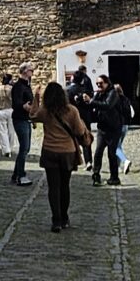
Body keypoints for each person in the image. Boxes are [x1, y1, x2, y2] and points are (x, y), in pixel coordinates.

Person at [38, 81, 91, 232]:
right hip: (67, 152)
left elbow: (33, 115)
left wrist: (36, 98)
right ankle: (64, 217)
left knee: (53, 187)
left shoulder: (45, 111)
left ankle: (56, 220)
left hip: (49, 150)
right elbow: (80, 131)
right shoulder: (71, 110)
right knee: (64, 186)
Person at [89, 79, 130, 186]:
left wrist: (92, 101)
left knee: (112, 153)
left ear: (107, 83)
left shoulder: (113, 94)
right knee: (98, 152)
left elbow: (107, 105)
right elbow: (93, 106)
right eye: (97, 83)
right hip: (102, 128)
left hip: (113, 128)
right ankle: (96, 176)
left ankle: (114, 177)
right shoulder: (99, 94)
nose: (98, 85)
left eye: (101, 83)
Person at [8, 71, 35, 185]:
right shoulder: (18, 86)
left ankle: (16, 174)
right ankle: (21, 175)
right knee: (24, 148)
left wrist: (32, 118)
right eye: (31, 70)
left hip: (26, 119)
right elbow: (16, 103)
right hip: (20, 119)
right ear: (25, 72)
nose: (32, 72)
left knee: (26, 148)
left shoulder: (27, 85)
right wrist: (24, 106)